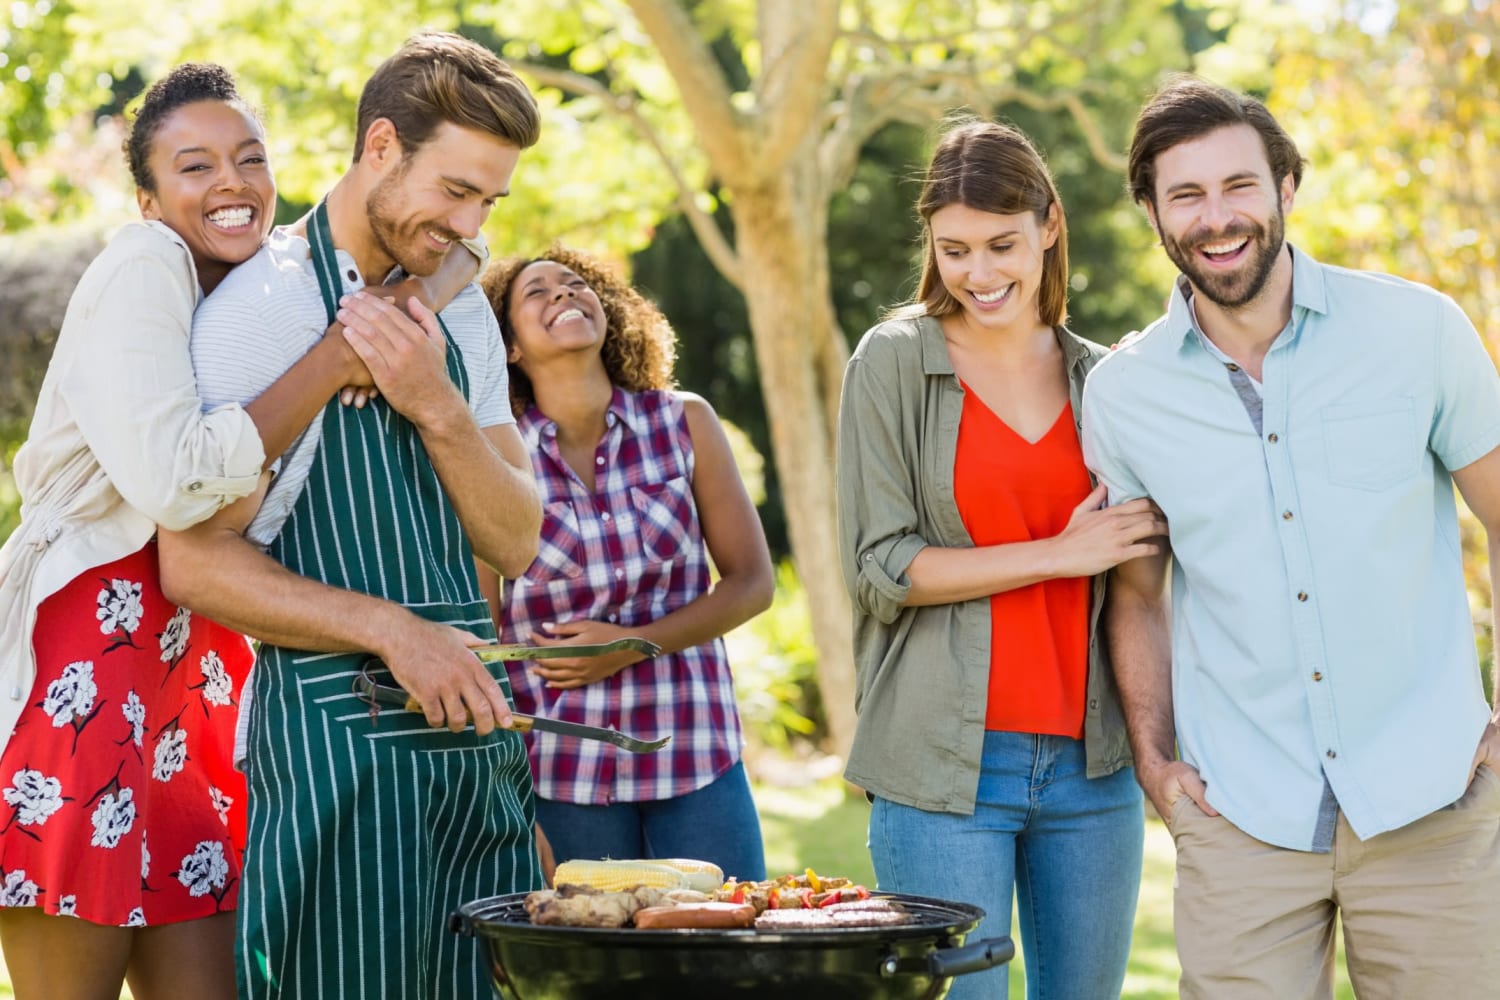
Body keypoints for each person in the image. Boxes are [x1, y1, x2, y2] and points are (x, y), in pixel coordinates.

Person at [1084, 75, 1500, 999]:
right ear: (1152, 212)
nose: (1216, 218)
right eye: (1185, 195)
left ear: (1286, 187)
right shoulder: (1124, 393)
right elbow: (1139, 595)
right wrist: (1156, 762)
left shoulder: (1418, 331)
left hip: (1434, 801)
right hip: (1242, 819)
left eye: (1239, 185)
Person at [153, 32, 545, 999]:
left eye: (490, 200)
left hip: (472, 744)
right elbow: (196, 564)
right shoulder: (260, 311)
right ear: (380, 147)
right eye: (455, 190)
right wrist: (392, 632)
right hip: (338, 754)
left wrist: (434, 403)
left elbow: (516, 538)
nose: (470, 224)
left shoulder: (457, 307)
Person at [835, 120, 1164, 1000]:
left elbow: (1145, 575)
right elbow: (882, 567)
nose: (979, 274)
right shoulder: (896, 361)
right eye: (954, 250)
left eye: (1001, 245)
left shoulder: (1106, 379)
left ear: (1049, 225)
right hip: (942, 769)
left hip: (1092, 773)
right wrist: (1059, 553)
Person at [479, 245, 773, 881]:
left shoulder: (684, 421)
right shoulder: (496, 460)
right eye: (537, 292)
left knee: (731, 966)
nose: (563, 293)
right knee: (592, 972)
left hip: (694, 749)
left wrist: (635, 645)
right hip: (560, 766)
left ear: (608, 313)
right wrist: (508, 798)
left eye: (575, 284)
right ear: (508, 348)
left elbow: (753, 583)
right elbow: (484, 636)